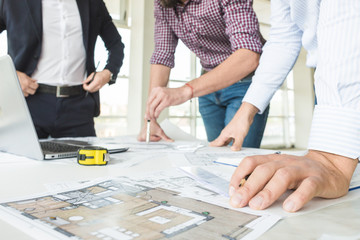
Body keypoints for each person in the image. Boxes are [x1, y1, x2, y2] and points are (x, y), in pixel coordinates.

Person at [212, 0, 360, 212]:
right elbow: (284, 37)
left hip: (345, 80)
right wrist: (247, 110)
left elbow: (347, 20)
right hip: (335, 85)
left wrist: (332, 159)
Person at [137, 0, 269, 147]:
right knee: (215, 155)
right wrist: (150, 120)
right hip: (207, 88)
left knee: (236, 159)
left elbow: (248, 56)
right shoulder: (163, 3)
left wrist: (186, 90)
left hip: (244, 84)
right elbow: (162, 54)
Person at [0, 0, 124, 138]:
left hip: (78, 109)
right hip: (28, 105)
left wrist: (107, 73)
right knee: (21, 160)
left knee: (85, 159)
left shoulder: (92, 2)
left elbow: (116, 45)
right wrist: (9, 75)